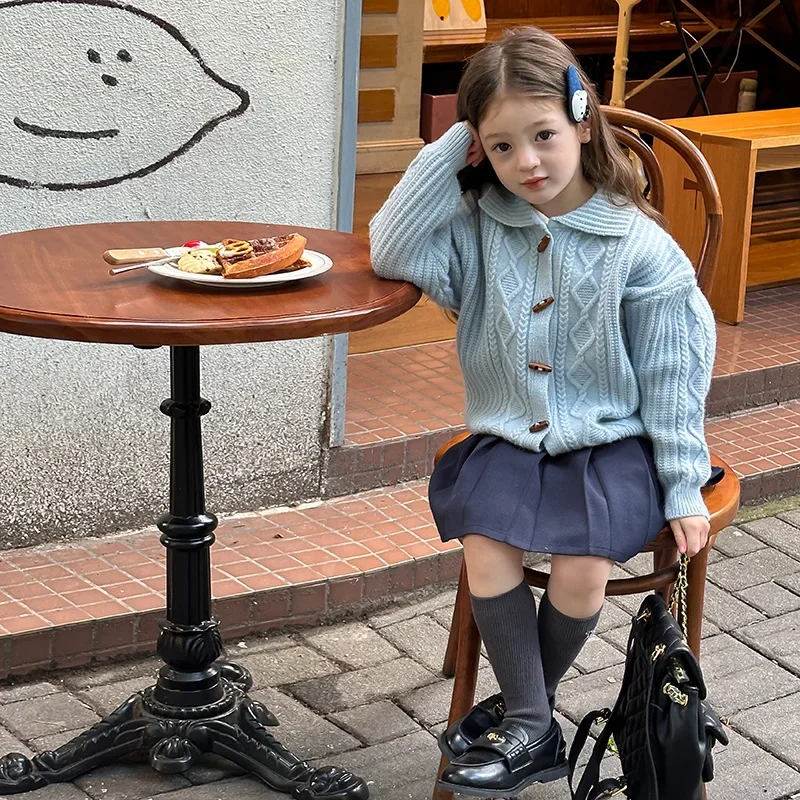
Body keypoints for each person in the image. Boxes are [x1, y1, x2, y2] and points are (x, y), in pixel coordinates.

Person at [369, 25, 717, 799]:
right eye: (499, 146)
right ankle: (533, 722)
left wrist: (684, 483)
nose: (525, 161)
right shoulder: (478, 230)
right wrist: (458, 134)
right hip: (509, 437)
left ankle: (526, 719)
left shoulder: (639, 248)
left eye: (543, 135)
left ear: (583, 121)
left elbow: (672, 379)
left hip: (614, 443)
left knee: (583, 561)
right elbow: (390, 247)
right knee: (485, 540)